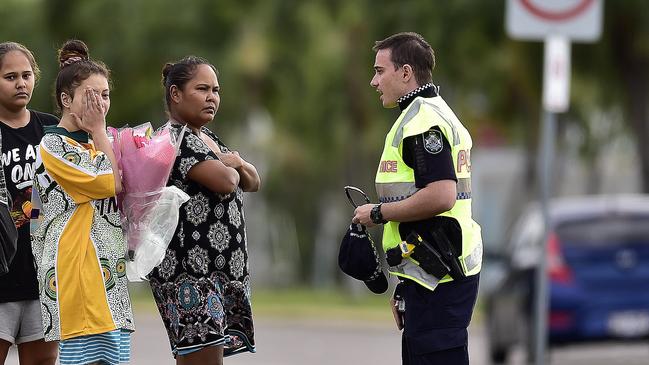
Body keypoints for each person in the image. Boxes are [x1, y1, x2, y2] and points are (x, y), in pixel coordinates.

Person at [352, 32, 483, 364]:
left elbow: (441, 195)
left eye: (380, 71)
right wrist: (406, 284)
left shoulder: (423, 123)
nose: (373, 81)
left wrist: (379, 213)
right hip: (432, 271)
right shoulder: (429, 112)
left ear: (406, 73)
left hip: (440, 278)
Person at [148, 56, 260, 365]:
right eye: (202, 89)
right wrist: (233, 165)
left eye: (216, 90)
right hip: (190, 274)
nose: (212, 97)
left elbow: (252, 181)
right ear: (175, 94)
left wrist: (235, 163)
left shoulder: (205, 137)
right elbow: (226, 182)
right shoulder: (173, 139)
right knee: (202, 360)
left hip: (217, 272)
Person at [31, 39, 134, 365]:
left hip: (109, 273)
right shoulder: (54, 145)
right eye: (91, 96)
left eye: (105, 95)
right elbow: (110, 183)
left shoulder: (99, 141)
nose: (100, 105)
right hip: (81, 268)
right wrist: (100, 131)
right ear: (66, 100)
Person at [0, 42, 59, 365]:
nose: (21, 83)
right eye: (10, 77)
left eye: (26, 75)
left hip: (43, 277)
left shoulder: (50, 128)